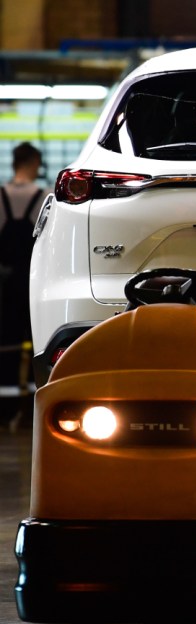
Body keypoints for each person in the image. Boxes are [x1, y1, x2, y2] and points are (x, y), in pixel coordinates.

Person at [0, 142, 45, 427]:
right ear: (34, 163)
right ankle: (33, 412)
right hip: (32, 284)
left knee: (6, 346)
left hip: (4, 286)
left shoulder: (0, 196)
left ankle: (4, 412)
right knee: (37, 342)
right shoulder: (44, 197)